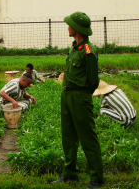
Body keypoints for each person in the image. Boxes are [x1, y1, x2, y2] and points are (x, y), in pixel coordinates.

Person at [51, 11, 103, 188]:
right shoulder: (74, 48)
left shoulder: (88, 51)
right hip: (66, 95)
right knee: (68, 136)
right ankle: (70, 173)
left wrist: (82, 94)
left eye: (70, 24)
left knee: (88, 137)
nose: (68, 27)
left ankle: (96, 177)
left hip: (80, 96)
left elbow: (93, 80)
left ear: (77, 28)